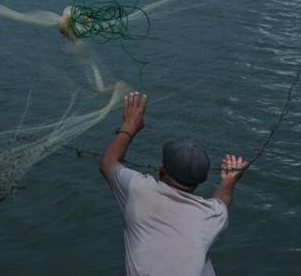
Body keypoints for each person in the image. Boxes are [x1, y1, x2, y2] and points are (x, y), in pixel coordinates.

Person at [100, 91, 248, 276]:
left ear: (162, 171)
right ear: (200, 181)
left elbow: (108, 162)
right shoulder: (212, 216)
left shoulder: (138, 191)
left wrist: (129, 126)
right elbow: (222, 201)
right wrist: (229, 180)